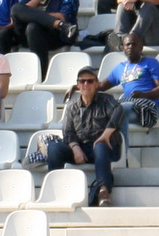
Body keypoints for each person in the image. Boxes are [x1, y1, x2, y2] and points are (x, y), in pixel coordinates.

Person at [41, 66, 123, 205]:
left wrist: (105, 135)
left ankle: (103, 191)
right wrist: (75, 148)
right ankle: (56, 189)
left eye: (90, 81)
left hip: (105, 148)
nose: (86, 84)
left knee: (100, 145)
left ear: (97, 84)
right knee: (54, 148)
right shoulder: (72, 106)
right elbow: (68, 132)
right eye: (82, 81)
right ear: (78, 85)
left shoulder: (106, 100)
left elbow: (119, 112)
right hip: (81, 148)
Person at [101, 31, 159, 128]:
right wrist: (77, 86)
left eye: (134, 44)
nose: (130, 47)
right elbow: (100, 86)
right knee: (107, 112)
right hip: (127, 105)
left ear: (141, 47)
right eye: (127, 45)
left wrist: (143, 95)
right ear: (123, 48)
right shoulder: (120, 67)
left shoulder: (151, 63)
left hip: (148, 108)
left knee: (119, 111)